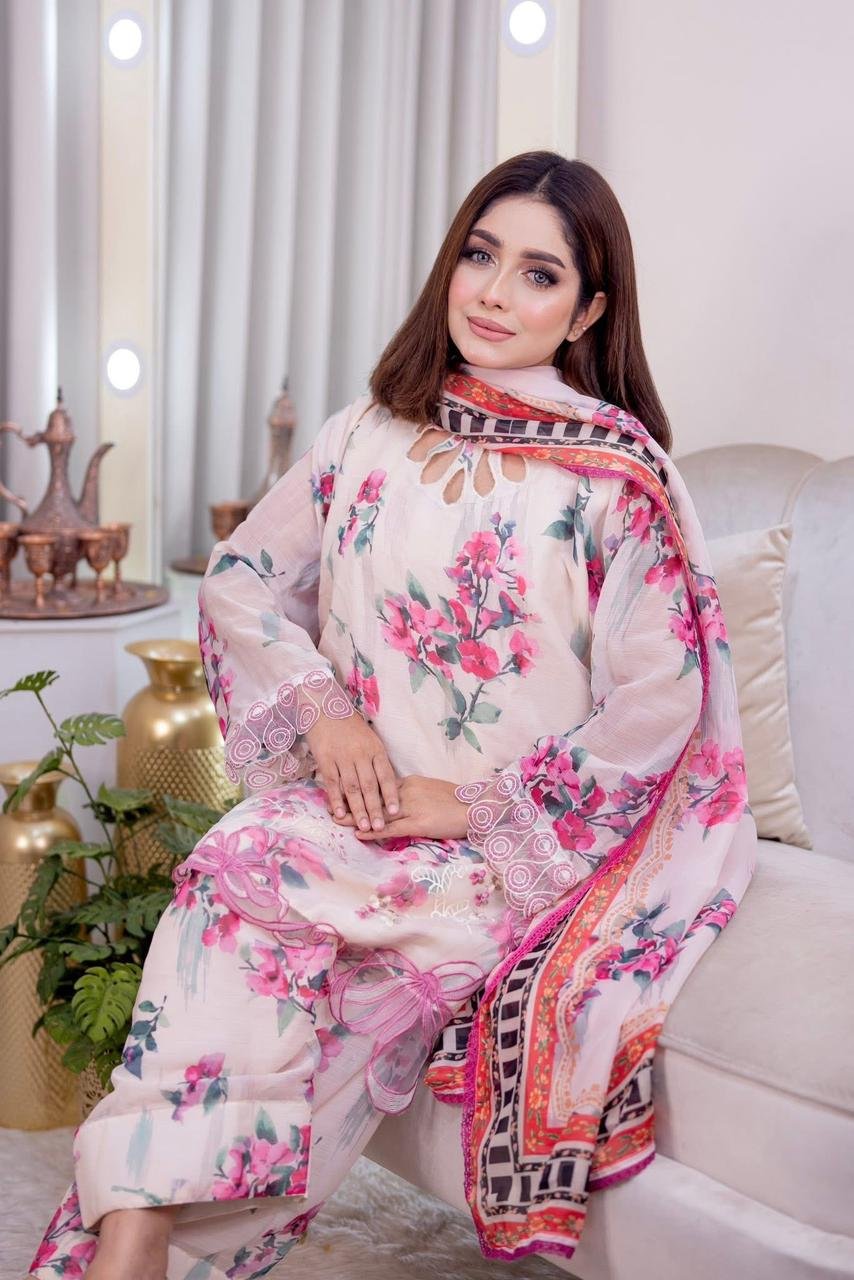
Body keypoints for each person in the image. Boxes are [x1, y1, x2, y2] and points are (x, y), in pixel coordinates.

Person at [27, 150, 756, 1279]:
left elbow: (659, 703)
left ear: (587, 310)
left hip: (501, 849)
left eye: (538, 274)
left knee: (319, 987)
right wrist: (326, 714)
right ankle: (131, 1249)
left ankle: (121, 1257)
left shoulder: (616, 479)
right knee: (236, 868)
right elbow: (240, 578)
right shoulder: (366, 431)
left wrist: (469, 805)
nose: (493, 294)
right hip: (353, 816)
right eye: (480, 255)